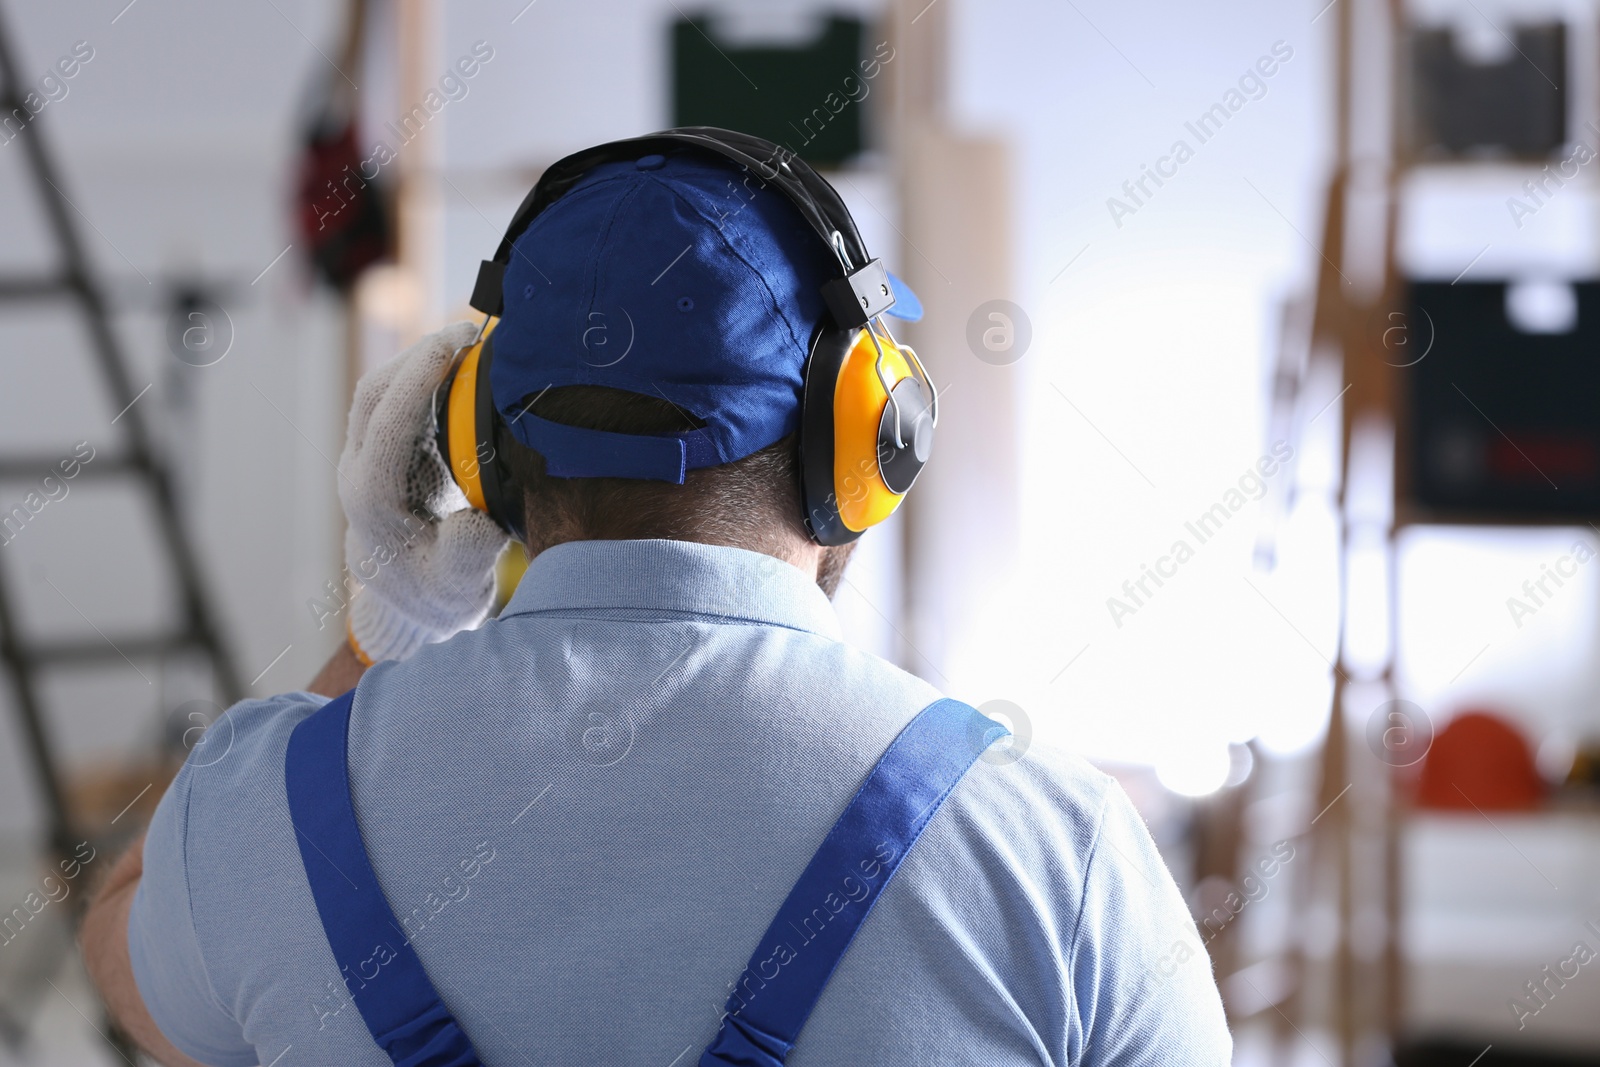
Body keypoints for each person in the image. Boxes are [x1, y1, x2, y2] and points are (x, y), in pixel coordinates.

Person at [81, 132, 1232, 1066]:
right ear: (866, 438)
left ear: (479, 446)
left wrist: (389, 621)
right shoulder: (1053, 855)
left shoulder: (276, 812)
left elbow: (122, 950)